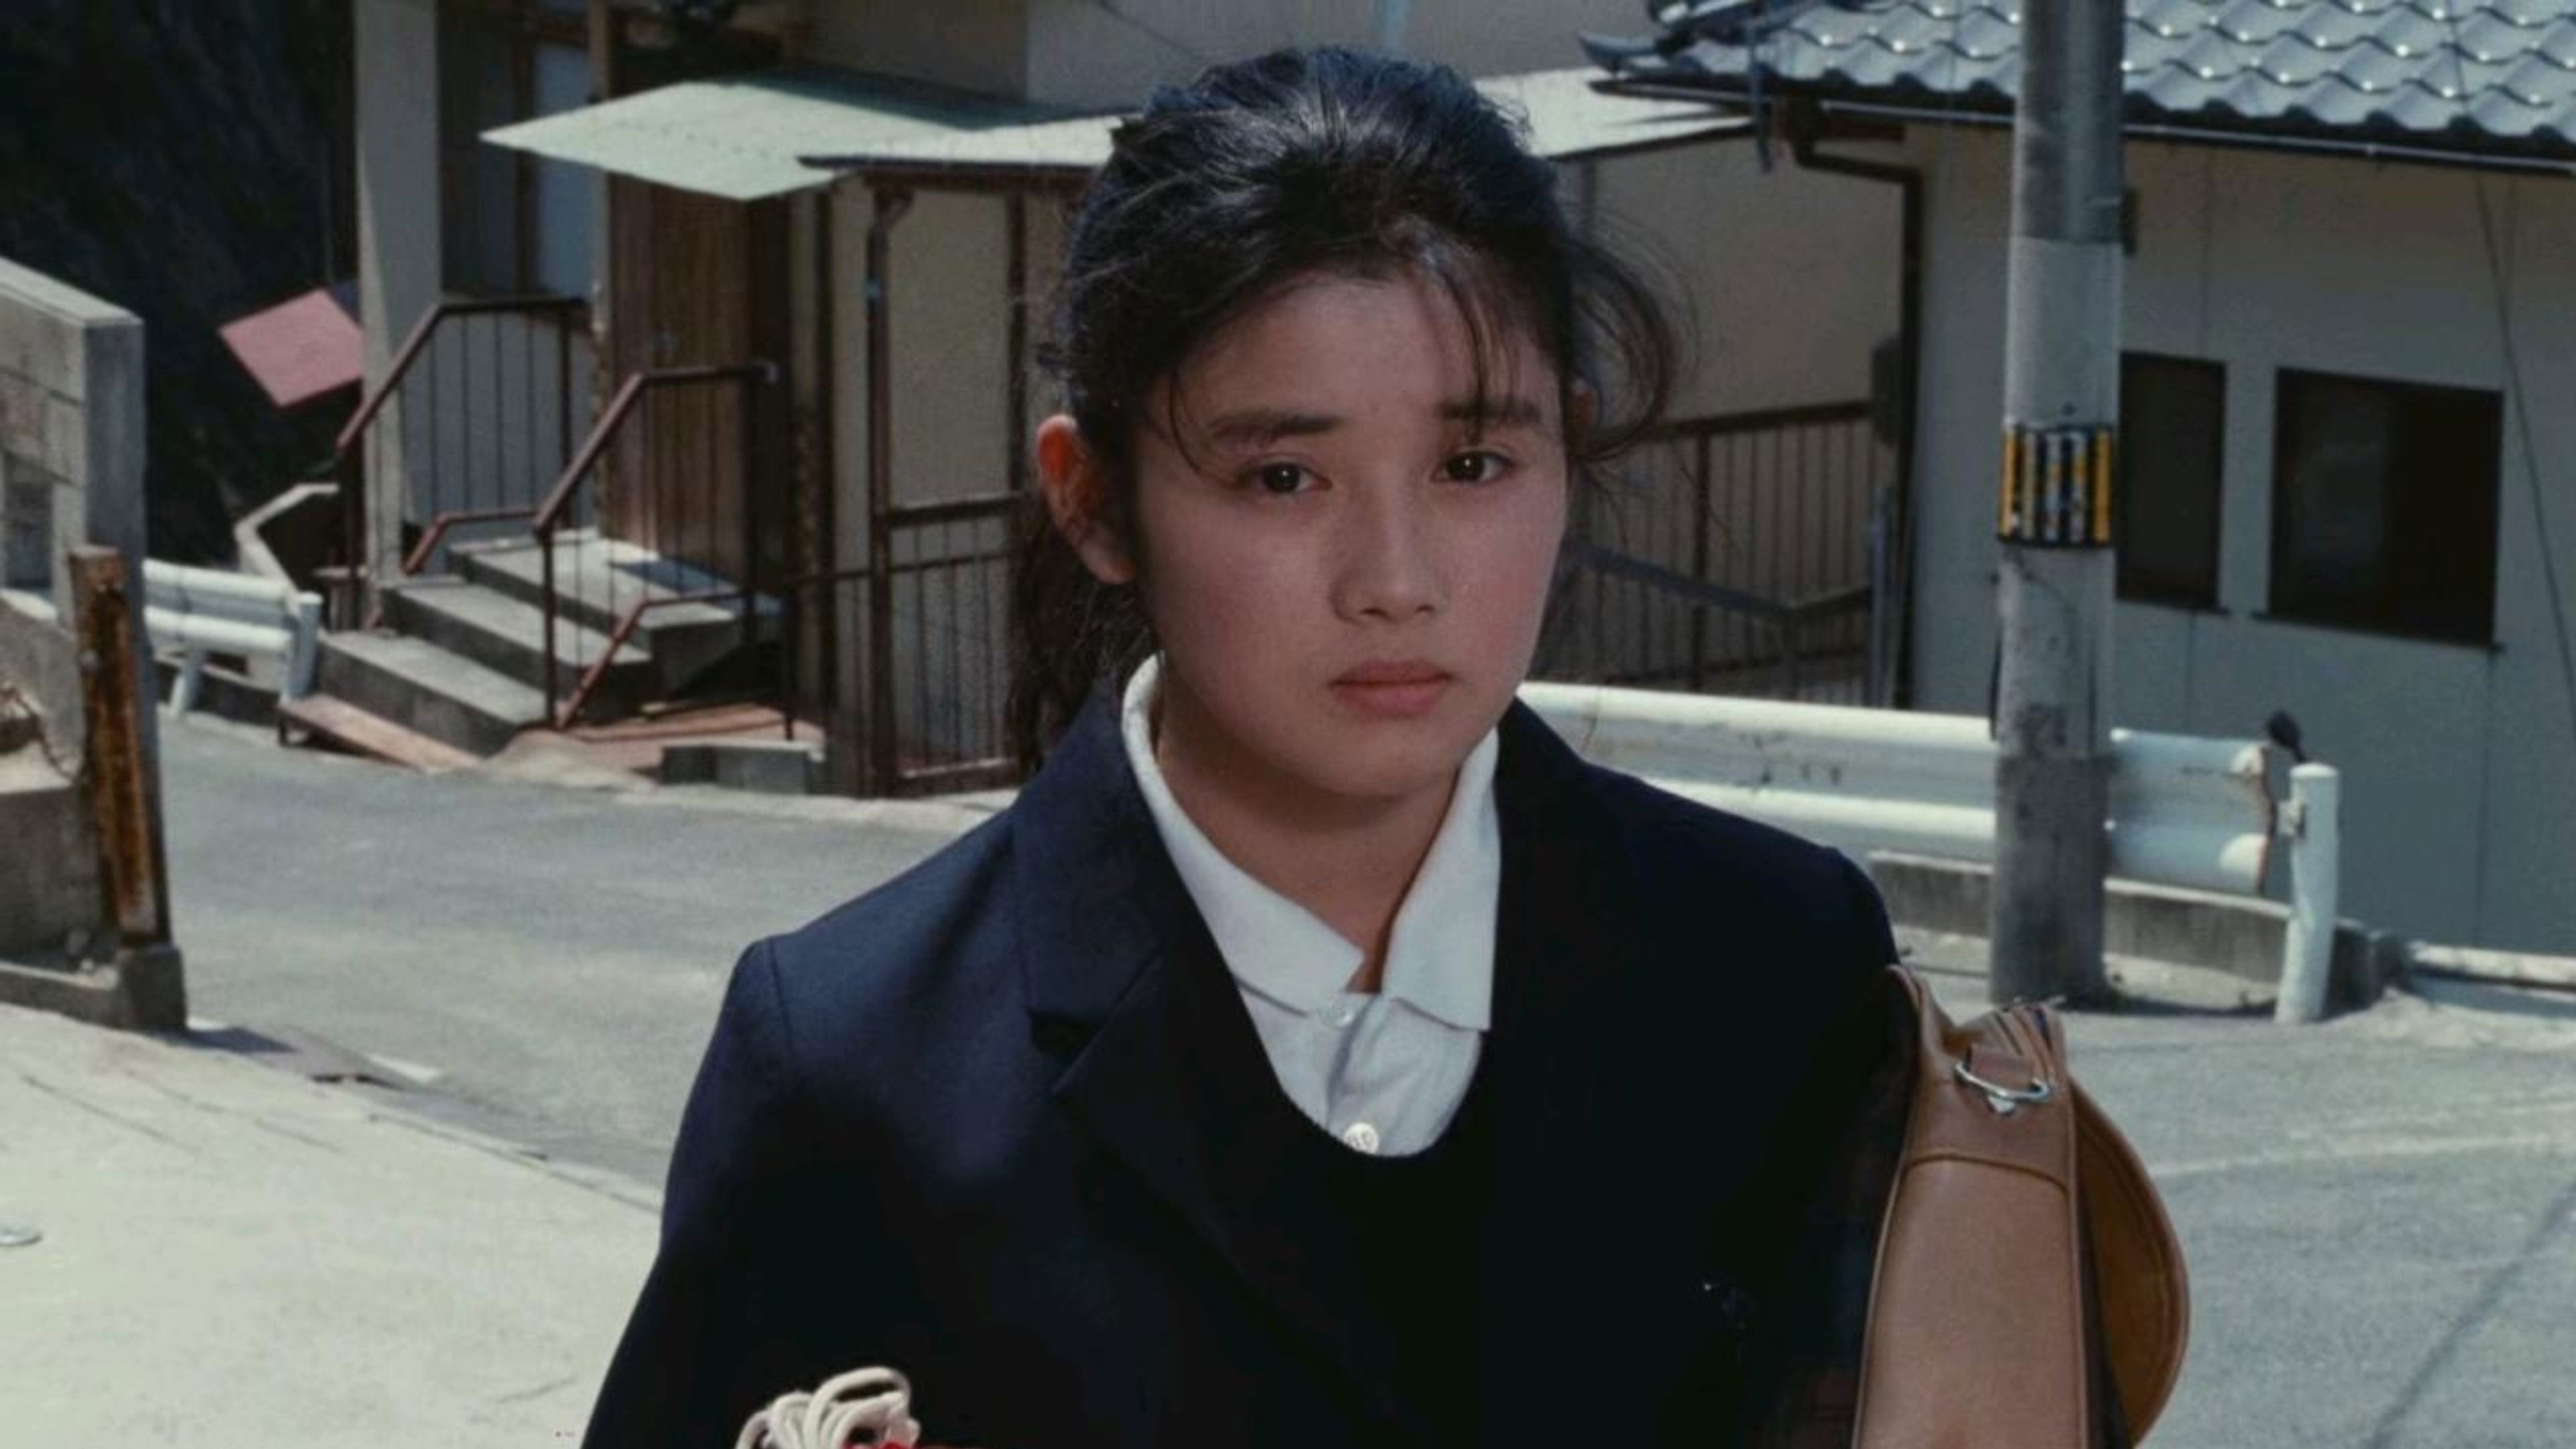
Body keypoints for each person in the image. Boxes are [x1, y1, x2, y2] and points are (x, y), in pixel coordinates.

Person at [582, 46, 1903, 1449]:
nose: (1396, 580)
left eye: (1472, 466)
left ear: (1565, 449)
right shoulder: (855, 1065)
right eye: (1284, 476)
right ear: (1094, 502)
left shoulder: (1778, 965)